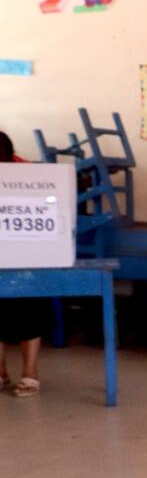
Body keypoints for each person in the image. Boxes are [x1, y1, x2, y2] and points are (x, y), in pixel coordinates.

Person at [0, 131, 47, 398]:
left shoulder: (26, 172)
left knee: (29, 307)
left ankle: (30, 372)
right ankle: (0, 370)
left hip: (26, 253)